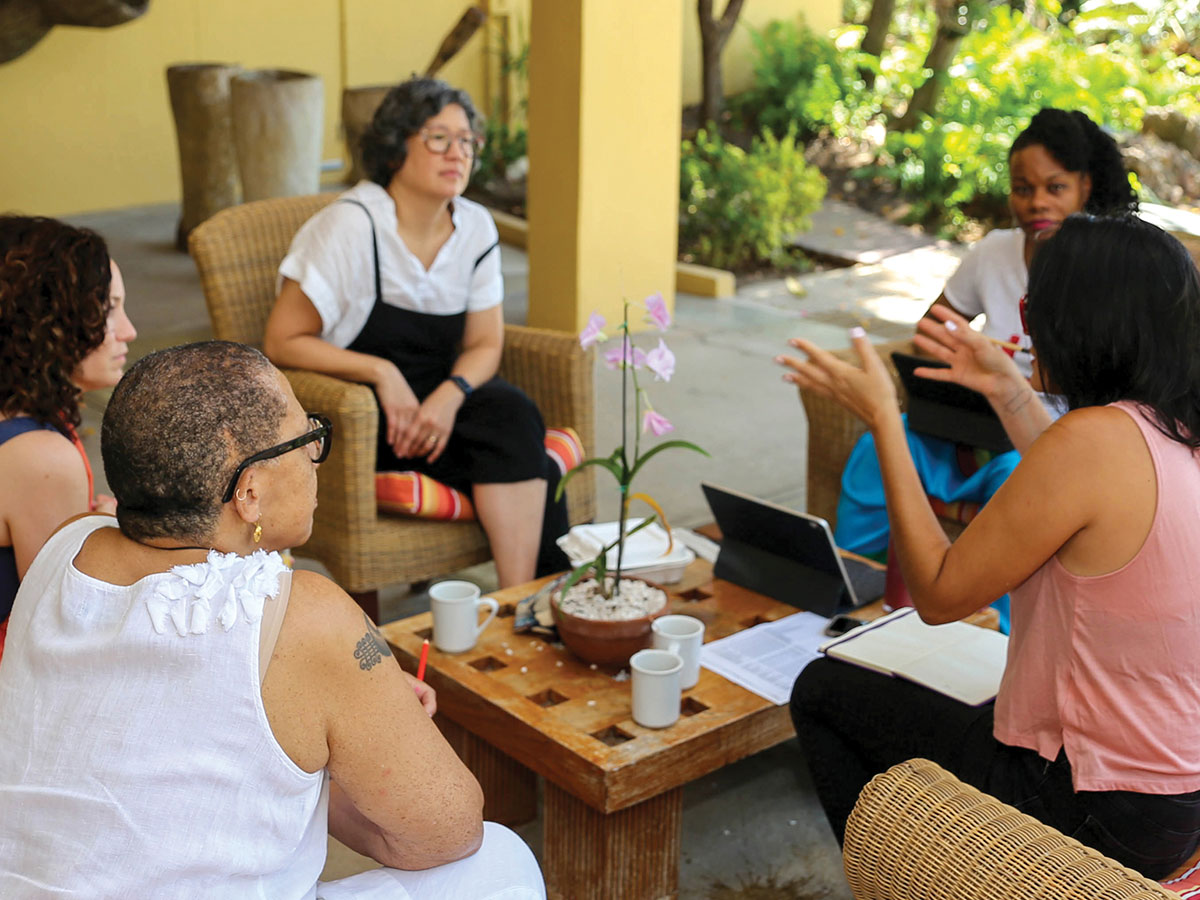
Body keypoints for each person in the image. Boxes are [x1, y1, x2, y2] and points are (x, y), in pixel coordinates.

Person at [0, 341, 546, 899]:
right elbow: (446, 835)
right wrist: (347, 734)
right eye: (306, 437)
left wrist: (325, 716)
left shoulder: (67, 543)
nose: (314, 453)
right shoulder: (308, 617)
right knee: (501, 861)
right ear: (249, 493)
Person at [780, 215, 1200, 879]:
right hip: (1175, 802)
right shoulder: (1169, 429)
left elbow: (940, 595)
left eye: (1034, 306)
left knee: (823, 690)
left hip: (1092, 805)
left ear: (1076, 320)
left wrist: (885, 419)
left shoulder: (1090, 441)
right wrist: (1007, 387)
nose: (1026, 325)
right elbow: (1079, 489)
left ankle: (911, 882)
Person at [832, 108, 1139, 630]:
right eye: (1023, 188)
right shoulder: (995, 252)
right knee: (881, 446)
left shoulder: (1104, 271)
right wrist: (964, 349)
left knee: (1021, 481)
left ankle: (997, 632)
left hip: (1041, 439)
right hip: (970, 424)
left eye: (1054, 186)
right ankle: (851, 595)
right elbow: (932, 330)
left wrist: (1016, 383)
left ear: (1087, 185)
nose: (1037, 201)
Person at [264, 76, 567, 589]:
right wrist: (382, 374)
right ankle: (536, 604)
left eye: (467, 140)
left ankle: (517, 600)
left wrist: (452, 395)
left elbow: (484, 343)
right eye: (438, 138)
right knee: (533, 463)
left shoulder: (475, 228)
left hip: (438, 410)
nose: (458, 152)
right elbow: (282, 340)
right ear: (395, 145)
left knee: (514, 416)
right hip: (363, 416)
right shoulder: (352, 226)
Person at [0, 215, 136, 656]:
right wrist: (115, 535)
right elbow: (65, 629)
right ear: (49, 320)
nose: (128, 330)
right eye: (108, 309)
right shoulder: (40, 457)